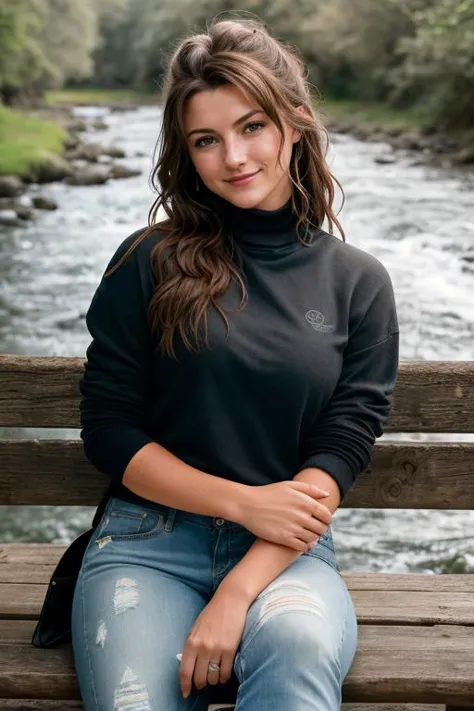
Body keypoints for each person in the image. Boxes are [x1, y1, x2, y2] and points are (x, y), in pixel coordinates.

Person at [71, 16, 399, 711]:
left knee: (300, 653)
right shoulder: (146, 261)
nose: (234, 156)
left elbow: (341, 447)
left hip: (286, 553)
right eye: (206, 140)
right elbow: (109, 430)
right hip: (145, 544)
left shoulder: (357, 283)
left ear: (296, 122)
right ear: (186, 155)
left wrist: (240, 587)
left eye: (252, 126)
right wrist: (243, 500)